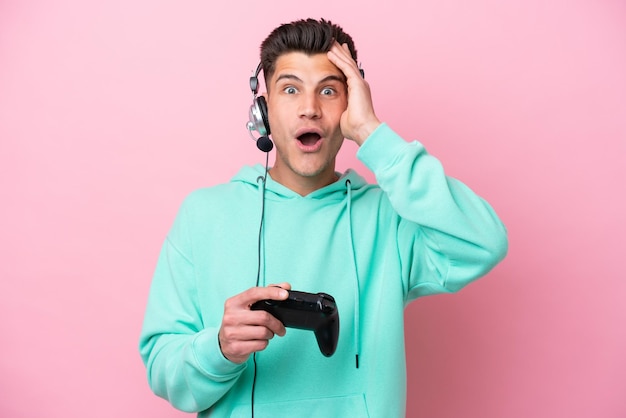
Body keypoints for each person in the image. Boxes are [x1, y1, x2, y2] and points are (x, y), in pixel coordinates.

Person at [139, 18, 508, 418]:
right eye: (291, 89)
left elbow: (484, 242)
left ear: (349, 106)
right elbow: (163, 369)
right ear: (262, 110)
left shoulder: (391, 218)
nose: (310, 108)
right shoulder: (203, 215)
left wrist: (373, 133)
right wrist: (220, 349)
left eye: (329, 91)